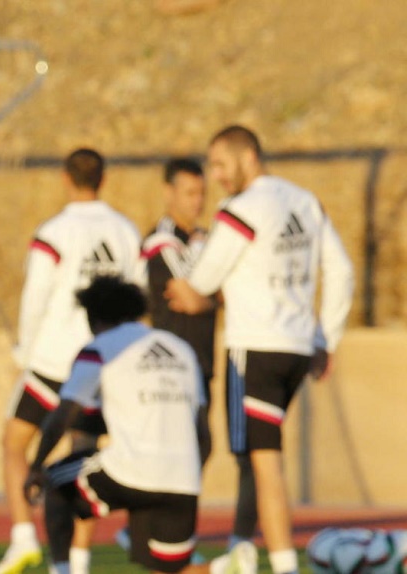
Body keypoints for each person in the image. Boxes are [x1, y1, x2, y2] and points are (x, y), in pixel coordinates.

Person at [165, 125, 355, 574]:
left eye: (219, 163)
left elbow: (204, 279)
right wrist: (325, 338)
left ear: (247, 155)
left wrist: (196, 294)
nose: (216, 175)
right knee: (255, 454)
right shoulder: (305, 202)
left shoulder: (241, 209)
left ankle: (281, 563)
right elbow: (341, 271)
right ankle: (240, 549)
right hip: (296, 348)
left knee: (261, 460)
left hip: (255, 348)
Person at [23, 275, 257, 574]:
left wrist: (36, 465)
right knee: (171, 570)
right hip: (182, 478)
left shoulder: (100, 348)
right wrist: (188, 477)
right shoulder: (181, 350)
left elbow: (64, 414)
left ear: (94, 318)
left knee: (55, 482)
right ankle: (223, 568)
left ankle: (63, 571)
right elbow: (202, 434)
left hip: (130, 471)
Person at [0, 148, 142, 574]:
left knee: (13, 444)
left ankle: (24, 535)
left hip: (51, 364)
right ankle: (77, 563)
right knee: (81, 460)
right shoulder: (126, 232)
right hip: (100, 368)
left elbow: (35, 296)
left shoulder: (54, 232)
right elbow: (134, 299)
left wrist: (24, 348)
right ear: (103, 178)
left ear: (65, 178)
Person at [139, 158, 258, 552]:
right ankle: (157, 533)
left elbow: (219, 289)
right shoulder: (160, 241)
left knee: (197, 448)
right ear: (168, 192)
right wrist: (213, 294)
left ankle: (152, 531)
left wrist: (210, 296)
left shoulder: (208, 238)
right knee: (184, 449)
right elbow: (186, 291)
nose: (196, 201)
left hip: (201, 363)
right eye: (189, 193)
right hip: (169, 365)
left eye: (201, 193)